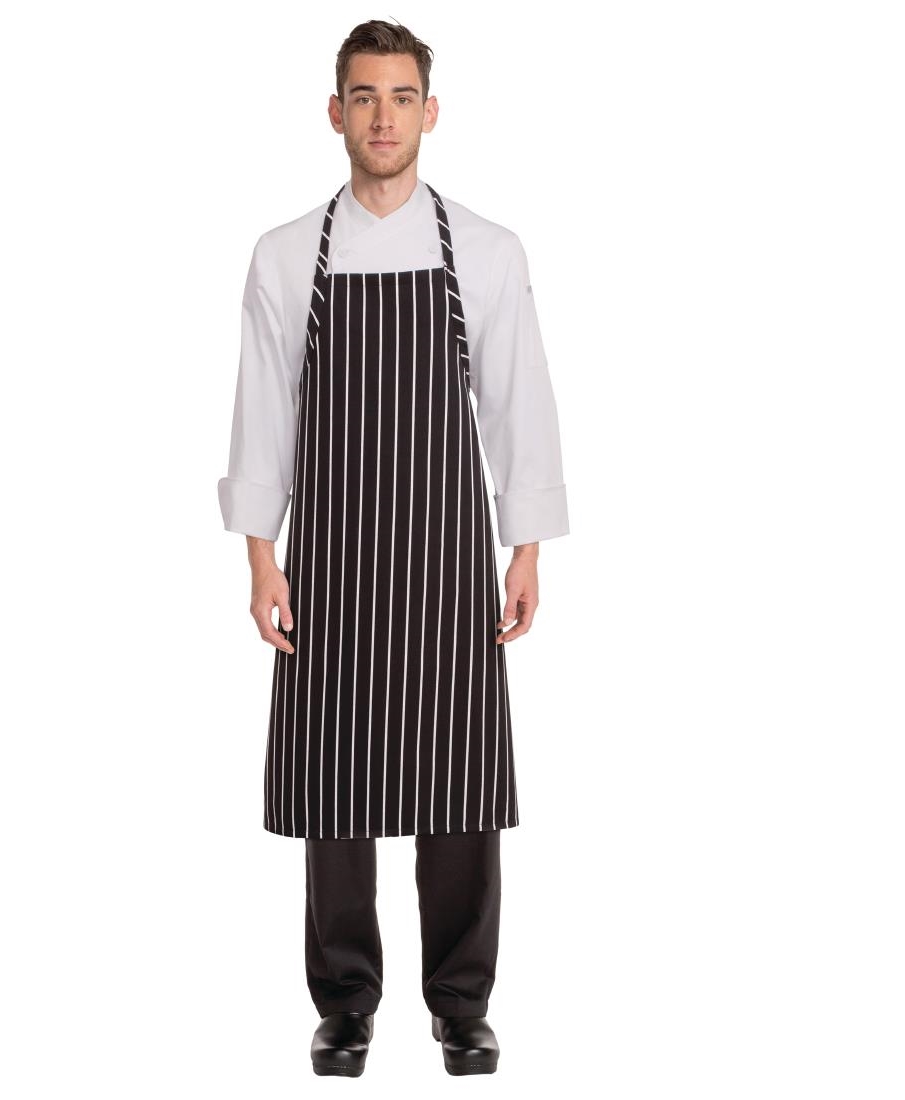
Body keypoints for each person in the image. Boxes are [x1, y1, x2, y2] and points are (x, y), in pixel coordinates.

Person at [217, 19, 569, 1077]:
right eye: (364, 96)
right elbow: (264, 410)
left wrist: (525, 547)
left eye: (401, 96)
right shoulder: (286, 254)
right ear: (336, 112)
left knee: (458, 787)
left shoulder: (488, 250)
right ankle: (344, 1003)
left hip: (446, 562)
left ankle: (460, 1003)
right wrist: (260, 555)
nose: (383, 116)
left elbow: (516, 400)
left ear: (430, 112)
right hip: (329, 562)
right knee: (335, 785)